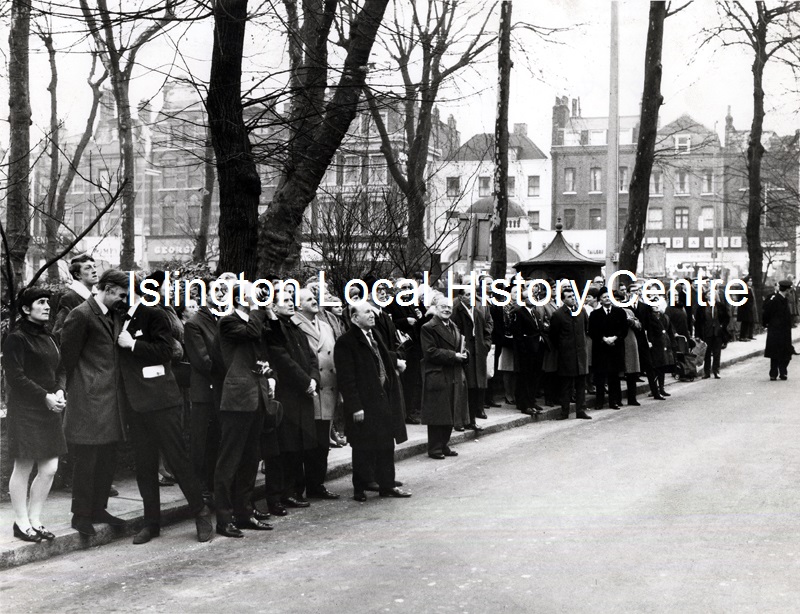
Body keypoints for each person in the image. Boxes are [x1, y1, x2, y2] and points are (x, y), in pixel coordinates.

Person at [115, 275, 213, 545]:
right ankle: (151, 522)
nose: (119, 298)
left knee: (177, 459)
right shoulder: (120, 317)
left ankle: (200, 512)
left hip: (162, 401)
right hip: (135, 403)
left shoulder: (154, 314)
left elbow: (166, 350)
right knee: (145, 464)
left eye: (123, 293)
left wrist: (132, 344)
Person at [59, 269, 129, 537]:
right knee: (87, 458)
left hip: (111, 399)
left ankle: (99, 508)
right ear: (108, 289)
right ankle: (81, 515)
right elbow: (67, 358)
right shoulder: (81, 314)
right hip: (88, 399)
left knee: (107, 456)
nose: (123, 299)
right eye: (120, 294)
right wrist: (76, 390)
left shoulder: (113, 314)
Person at [3, 288, 68, 542]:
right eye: (41, 302)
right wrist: (45, 396)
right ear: (25, 309)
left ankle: (35, 519)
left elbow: (60, 368)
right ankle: (21, 523)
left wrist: (59, 390)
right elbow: (15, 377)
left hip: (49, 407)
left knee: (50, 468)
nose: (47, 306)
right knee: (24, 466)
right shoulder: (16, 338)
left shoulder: (50, 336)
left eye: (47, 302)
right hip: (26, 410)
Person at [214, 280, 276, 537]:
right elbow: (251, 334)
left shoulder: (255, 320)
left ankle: (245, 512)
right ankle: (223, 518)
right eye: (252, 293)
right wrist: (258, 309)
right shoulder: (228, 321)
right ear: (240, 298)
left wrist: (269, 312)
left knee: (250, 458)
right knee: (229, 459)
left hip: (256, 395)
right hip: (237, 399)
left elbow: (272, 340)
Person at [334, 302, 410, 501]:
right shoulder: (346, 342)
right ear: (354, 318)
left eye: (372, 311)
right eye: (367, 312)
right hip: (364, 403)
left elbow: (382, 358)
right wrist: (355, 407)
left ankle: (387, 485)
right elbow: (346, 379)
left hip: (382, 399)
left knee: (386, 445)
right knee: (362, 446)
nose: (372, 315)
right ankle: (360, 488)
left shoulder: (374, 335)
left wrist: (396, 362)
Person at [266, 291, 320, 514]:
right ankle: (281, 494)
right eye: (286, 301)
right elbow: (282, 359)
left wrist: (314, 380)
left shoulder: (296, 328)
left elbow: (311, 357)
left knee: (298, 447)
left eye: (292, 300)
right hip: (287, 395)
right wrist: (306, 381)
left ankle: (294, 491)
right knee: (284, 448)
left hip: (303, 394)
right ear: (273, 307)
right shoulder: (274, 330)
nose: (291, 304)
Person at [292, 288, 340, 502]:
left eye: (315, 298)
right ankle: (300, 487)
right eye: (309, 299)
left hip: (328, 388)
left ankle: (317, 484)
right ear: (299, 304)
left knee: (322, 443)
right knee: (307, 442)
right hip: (309, 389)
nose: (315, 301)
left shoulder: (325, 326)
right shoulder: (294, 325)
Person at [183, 278, 226, 506]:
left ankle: (213, 485)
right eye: (216, 290)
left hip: (222, 390)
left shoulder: (223, 318)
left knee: (218, 440)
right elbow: (203, 360)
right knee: (202, 442)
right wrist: (232, 372)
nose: (221, 294)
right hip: (205, 392)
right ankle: (200, 490)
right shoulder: (195, 323)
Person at [420, 293, 469, 459]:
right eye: (443, 307)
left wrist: (465, 354)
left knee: (450, 411)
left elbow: (460, 346)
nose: (447, 310)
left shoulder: (453, 326)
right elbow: (430, 352)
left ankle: (444, 445)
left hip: (452, 372)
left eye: (449, 307)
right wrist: (454, 355)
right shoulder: (428, 327)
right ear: (436, 308)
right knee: (438, 413)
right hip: (438, 374)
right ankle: (435, 448)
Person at [451, 287, 492, 431]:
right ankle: (461, 421)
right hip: (464, 355)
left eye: (473, 295)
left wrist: (485, 345)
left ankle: (472, 420)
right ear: (461, 297)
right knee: (464, 389)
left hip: (478, 354)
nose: (471, 297)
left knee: (475, 389)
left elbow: (487, 331)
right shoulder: (456, 312)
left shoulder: (477, 312)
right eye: (468, 295)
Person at [548, 287, 592, 420]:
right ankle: (564, 411)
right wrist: (563, 347)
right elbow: (553, 335)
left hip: (581, 354)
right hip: (567, 355)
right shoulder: (558, 314)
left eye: (573, 296)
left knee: (581, 384)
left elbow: (586, 328)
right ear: (563, 300)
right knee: (566, 385)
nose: (572, 298)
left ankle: (581, 410)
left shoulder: (581, 311)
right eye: (569, 297)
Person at [588, 287, 627, 410]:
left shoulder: (620, 312)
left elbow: (624, 330)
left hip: (615, 348)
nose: (607, 299)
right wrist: (604, 339)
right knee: (600, 376)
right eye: (604, 297)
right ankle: (599, 402)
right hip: (600, 349)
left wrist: (614, 338)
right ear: (600, 299)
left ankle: (613, 401)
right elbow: (592, 331)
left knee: (614, 376)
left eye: (609, 296)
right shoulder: (595, 314)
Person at [53, 254, 97, 339]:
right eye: (88, 268)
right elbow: (59, 333)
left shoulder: (97, 296)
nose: (94, 270)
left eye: (94, 266)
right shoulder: (69, 298)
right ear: (77, 275)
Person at [695, 287, 730, 379]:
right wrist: (697, 335)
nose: (711, 295)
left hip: (718, 333)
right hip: (706, 333)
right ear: (706, 296)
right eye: (709, 294)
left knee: (717, 353)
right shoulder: (702, 307)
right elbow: (698, 322)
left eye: (713, 294)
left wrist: (722, 326)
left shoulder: (720, 306)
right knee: (707, 353)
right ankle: (706, 372)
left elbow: (726, 318)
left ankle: (716, 371)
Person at [763, 279, 794, 381]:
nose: (790, 292)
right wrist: (766, 324)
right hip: (776, 330)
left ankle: (783, 372)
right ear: (787, 290)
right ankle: (773, 373)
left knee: (786, 352)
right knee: (775, 353)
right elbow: (766, 313)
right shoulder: (775, 300)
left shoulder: (784, 299)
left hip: (784, 331)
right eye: (790, 290)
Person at [736, 277, 755, 341]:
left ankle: (747, 335)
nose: (750, 282)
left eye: (751, 281)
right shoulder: (743, 289)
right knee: (745, 322)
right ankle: (742, 336)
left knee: (748, 322)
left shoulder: (749, 289)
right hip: (744, 309)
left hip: (748, 308)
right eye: (749, 281)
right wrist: (748, 305)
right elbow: (744, 299)